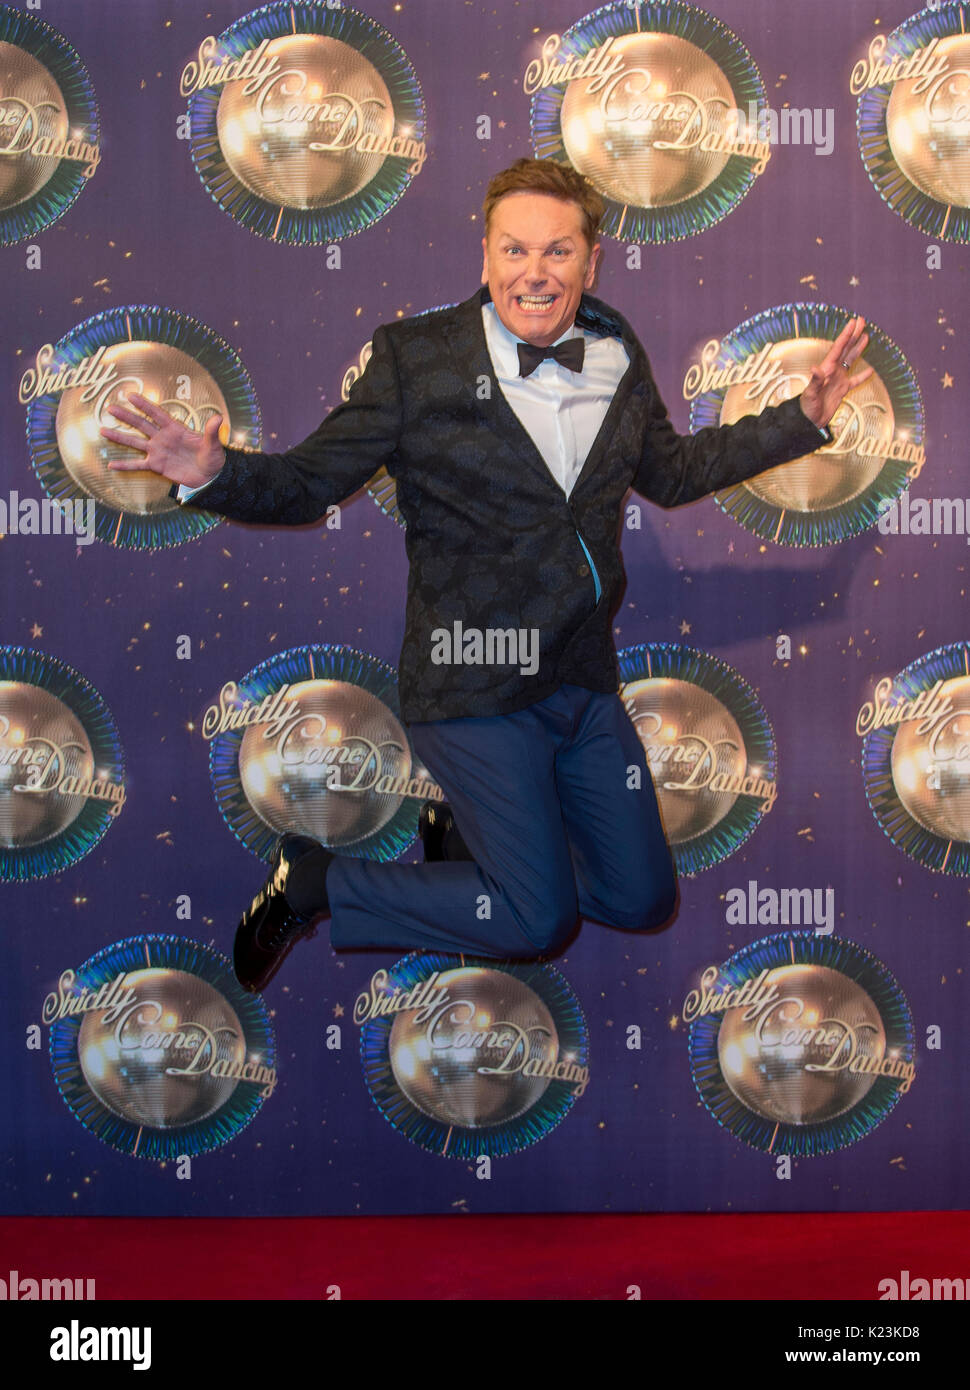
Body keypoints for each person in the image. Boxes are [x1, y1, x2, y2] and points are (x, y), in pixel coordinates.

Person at [99, 158, 872, 992]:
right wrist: (212, 473)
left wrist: (800, 420)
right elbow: (308, 484)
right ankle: (317, 880)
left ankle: (474, 844)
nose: (533, 274)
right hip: (471, 680)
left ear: (590, 261)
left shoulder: (613, 349)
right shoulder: (416, 359)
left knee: (641, 897)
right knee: (538, 919)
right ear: (485, 257)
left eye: (557, 252)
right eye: (514, 250)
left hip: (580, 679)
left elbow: (674, 471)